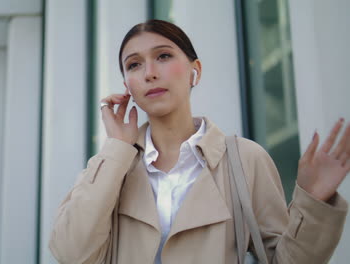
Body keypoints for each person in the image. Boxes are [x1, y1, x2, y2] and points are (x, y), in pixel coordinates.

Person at [49, 19, 349, 264]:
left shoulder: (244, 159)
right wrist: (117, 148)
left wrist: (314, 203)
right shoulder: (113, 167)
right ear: (127, 85)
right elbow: (71, 254)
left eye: (163, 56)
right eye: (134, 65)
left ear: (196, 71)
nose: (150, 73)